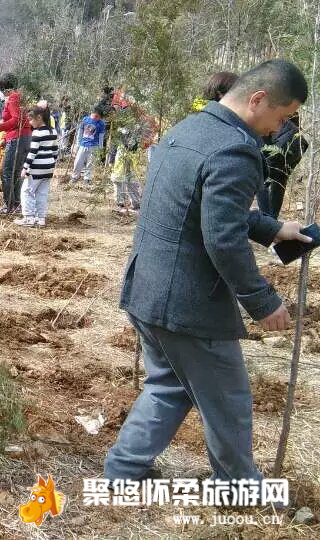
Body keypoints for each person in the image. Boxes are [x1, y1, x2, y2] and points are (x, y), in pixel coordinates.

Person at [104, 60, 311, 484]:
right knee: (228, 401)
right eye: (282, 116)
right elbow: (222, 237)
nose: (279, 128)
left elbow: (201, 207)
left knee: (168, 385)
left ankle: (123, 471)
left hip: (147, 288)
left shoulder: (190, 129)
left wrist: (274, 229)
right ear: (257, 100)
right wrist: (262, 300)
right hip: (189, 304)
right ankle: (238, 488)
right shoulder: (235, 149)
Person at [257, 114, 309, 218]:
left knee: (262, 179)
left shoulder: (269, 110)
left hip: (286, 143)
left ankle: (268, 219)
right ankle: (271, 218)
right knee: (279, 179)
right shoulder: (286, 109)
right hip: (297, 143)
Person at [15, 107, 59, 228]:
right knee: (42, 193)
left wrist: (25, 168)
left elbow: (32, 152)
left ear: (39, 118)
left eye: (31, 119)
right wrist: (52, 163)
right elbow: (55, 150)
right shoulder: (53, 131)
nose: (29, 122)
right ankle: (41, 218)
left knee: (26, 191)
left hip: (36, 168)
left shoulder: (37, 133)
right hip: (49, 167)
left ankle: (28, 218)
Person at [0, 73, 32, 213]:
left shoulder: (13, 97)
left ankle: (9, 204)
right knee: (16, 172)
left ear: (4, 88)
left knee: (6, 171)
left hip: (18, 138)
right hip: (23, 137)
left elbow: (16, 120)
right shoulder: (20, 96)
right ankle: (16, 204)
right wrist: (5, 136)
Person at [68, 107, 106, 187]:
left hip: (94, 146)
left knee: (90, 163)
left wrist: (100, 147)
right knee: (78, 161)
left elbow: (101, 136)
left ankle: (87, 179)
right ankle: (75, 177)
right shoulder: (85, 119)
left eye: (98, 117)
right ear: (92, 114)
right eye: (95, 116)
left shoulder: (101, 124)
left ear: (100, 117)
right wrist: (78, 143)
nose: (96, 118)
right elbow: (80, 131)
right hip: (83, 144)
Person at [110, 127, 143, 213]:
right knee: (118, 181)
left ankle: (136, 203)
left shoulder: (136, 130)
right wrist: (111, 160)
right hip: (119, 162)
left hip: (131, 160)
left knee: (132, 182)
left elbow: (134, 147)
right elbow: (113, 148)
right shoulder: (119, 131)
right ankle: (120, 202)